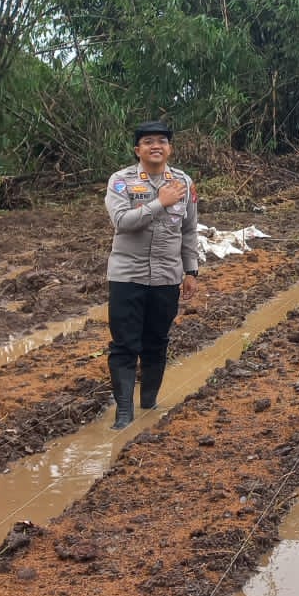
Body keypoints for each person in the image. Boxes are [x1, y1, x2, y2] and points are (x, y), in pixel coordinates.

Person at [104, 120, 199, 430]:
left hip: (167, 276)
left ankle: (149, 402)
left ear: (169, 148)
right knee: (124, 344)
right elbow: (122, 221)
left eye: (161, 141)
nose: (155, 146)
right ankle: (123, 413)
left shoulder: (184, 183)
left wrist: (191, 270)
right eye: (148, 142)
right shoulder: (121, 182)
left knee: (157, 340)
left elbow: (189, 230)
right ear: (138, 150)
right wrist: (160, 203)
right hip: (126, 276)